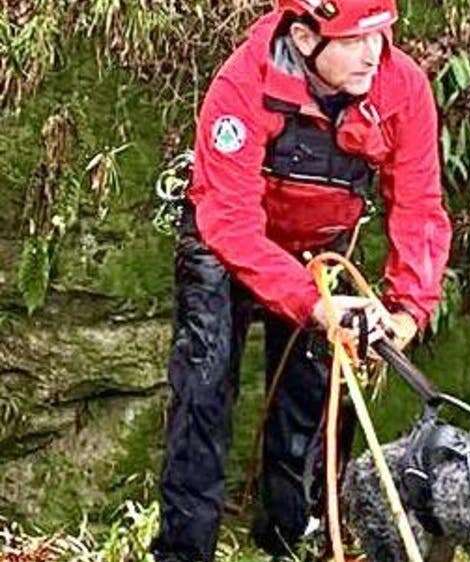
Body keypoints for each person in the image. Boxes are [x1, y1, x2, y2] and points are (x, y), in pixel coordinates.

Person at [149, 1, 451, 560]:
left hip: (319, 247)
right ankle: (183, 551)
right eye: (355, 40)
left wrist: (407, 309)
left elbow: (418, 206)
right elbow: (229, 222)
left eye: (382, 35)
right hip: (224, 244)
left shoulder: (401, 87)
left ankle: (288, 540)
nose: (374, 53)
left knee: (312, 401)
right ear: (306, 36)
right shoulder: (243, 85)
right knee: (204, 388)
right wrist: (311, 302)